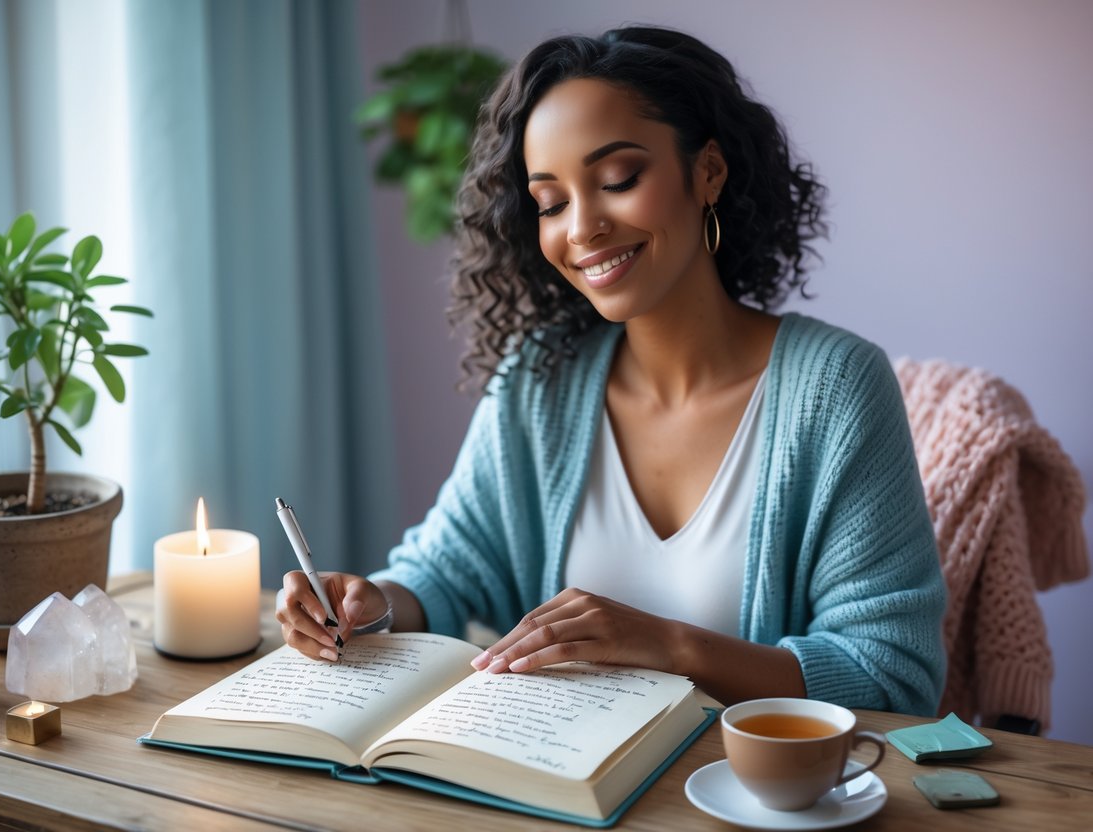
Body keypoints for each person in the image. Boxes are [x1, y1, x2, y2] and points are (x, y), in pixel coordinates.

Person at [277, 25, 946, 715]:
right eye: (550, 202)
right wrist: (370, 603)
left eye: (618, 179)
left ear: (707, 171)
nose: (582, 228)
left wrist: (667, 646)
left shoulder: (835, 388)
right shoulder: (540, 380)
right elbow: (449, 568)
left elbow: (891, 676)